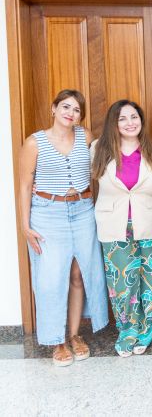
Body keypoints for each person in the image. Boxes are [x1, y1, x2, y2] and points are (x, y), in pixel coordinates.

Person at [17, 89, 108, 366]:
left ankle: (75, 334)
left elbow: (100, 168)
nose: (71, 113)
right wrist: (24, 226)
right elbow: (23, 185)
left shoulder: (86, 137)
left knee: (79, 274)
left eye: (77, 110)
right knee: (51, 279)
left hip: (83, 210)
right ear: (53, 108)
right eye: (66, 107)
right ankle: (57, 341)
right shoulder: (34, 143)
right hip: (48, 214)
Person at [92, 100, 152, 356]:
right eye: (123, 118)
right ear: (114, 123)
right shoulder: (98, 150)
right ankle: (127, 330)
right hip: (114, 224)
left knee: (149, 281)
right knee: (121, 282)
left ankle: (145, 329)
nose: (130, 122)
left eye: (134, 117)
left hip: (149, 223)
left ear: (141, 121)